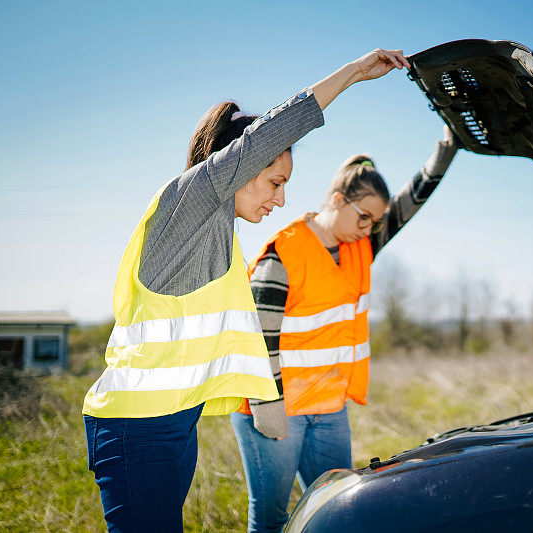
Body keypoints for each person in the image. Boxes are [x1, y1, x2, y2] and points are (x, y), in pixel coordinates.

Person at [81, 48, 410, 533]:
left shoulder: (220, 240)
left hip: (176, 420)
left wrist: (265, 399)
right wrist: (354, 74)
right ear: (238, 165)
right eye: (275, 181)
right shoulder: (188, 204)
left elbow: (244, 330)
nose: (282, 199)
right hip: (137, 426)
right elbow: (273, 131)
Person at [231, 126, 458, 532]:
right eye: (364, 217)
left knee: (339, 513)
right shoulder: (281, 255)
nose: (369, 228)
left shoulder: (360, 247)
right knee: (271, 518)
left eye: (375, 221)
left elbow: (411, 201)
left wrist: (446, 149)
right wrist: (268, 407)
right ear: (338, 200)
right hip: (278, 408)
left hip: (329, 407)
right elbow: (256, 340)